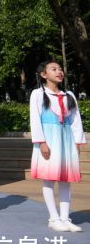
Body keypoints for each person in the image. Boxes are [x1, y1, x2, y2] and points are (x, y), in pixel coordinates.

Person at [30, 60, 85, 232]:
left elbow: (75, 120)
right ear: (43, 75)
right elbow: (35, 119)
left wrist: (77, 142)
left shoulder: (69, 95)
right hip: (49, 139)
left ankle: (65, 218)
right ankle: (53, 218)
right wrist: (42, 142)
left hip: (66, 139)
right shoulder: (38, 94)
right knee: (49, 178)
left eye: (60, 69)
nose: (59, 72)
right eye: (53, 69)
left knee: (65, 180)